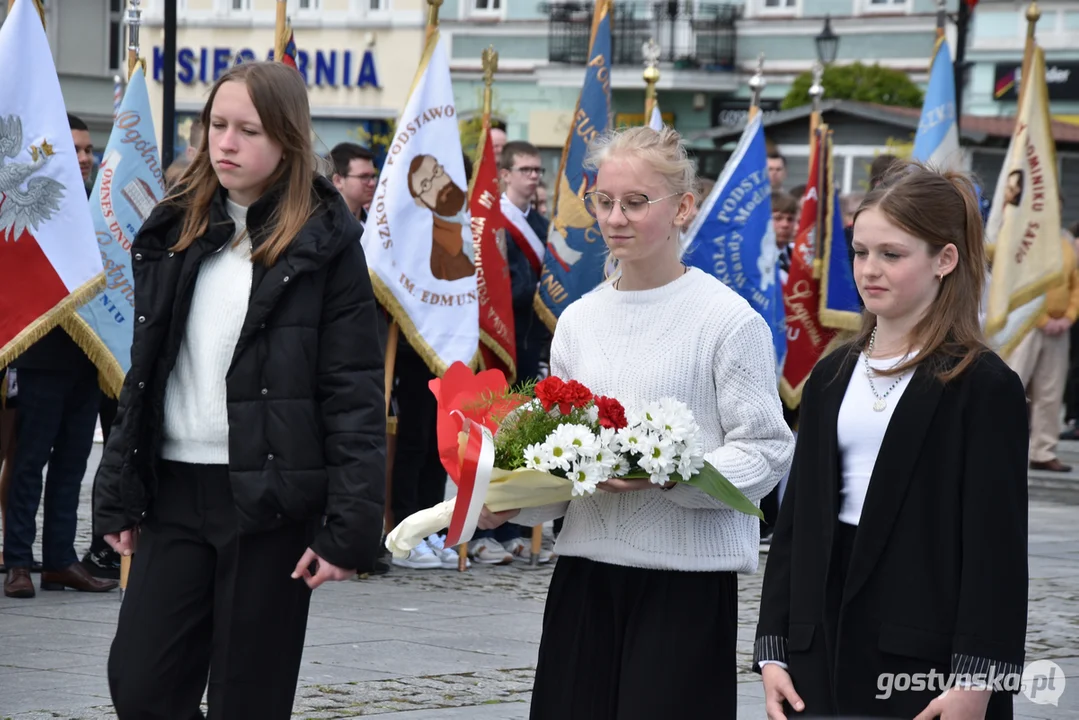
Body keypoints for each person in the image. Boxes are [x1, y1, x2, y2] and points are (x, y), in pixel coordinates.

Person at [94, 61, 387, 718]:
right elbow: (143, 373)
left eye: (247, 130)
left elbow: (353, 390)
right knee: (141, 686)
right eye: (216, 125)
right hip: (173, 492)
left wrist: (351, 526)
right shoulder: (174, 227)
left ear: (286, 139)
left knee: (246, 698)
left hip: (270, 501)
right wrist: (117, 493)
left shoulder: (326, 241)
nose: (225, 143)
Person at [480, 126, 795, 719]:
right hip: (586, 573)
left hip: (685, 583)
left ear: (683, 207)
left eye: (635, 202)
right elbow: (563, 465)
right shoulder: (580, 320)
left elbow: (765, 451)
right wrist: (508, 500)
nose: (615, 218)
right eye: (603, 201)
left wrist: (671, 474)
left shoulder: (727, 321)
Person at [755, 162, 1028, 720]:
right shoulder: (831, 376)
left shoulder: (983, 385)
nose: (869, 270)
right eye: (860, 252)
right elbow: (797, 524)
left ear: (944, 260)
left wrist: (977, 681)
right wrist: (773, 651)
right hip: (818, 646)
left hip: (921, 652)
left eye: (892, 255)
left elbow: (995, 550)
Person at [3, 113, 116, 599]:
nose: (86, 157)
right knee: (30, 462)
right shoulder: (36, 207)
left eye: (90, 149)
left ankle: (61, 559)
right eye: (77, 149)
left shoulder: (100, 207)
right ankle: (18, 562)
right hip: (40, 354)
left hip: (89, 355)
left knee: (72, 464)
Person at [1006, 227, 1079, 472]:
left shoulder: (1067, 241)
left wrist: (1069, 316)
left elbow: (1075, 281)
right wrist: (1040, 317)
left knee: (1051, 390)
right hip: (1026, 324)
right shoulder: (1025, 234)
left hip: (1059, 326)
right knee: (1011, 384)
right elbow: (1014, 281)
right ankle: (997, 443)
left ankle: (1043, 451)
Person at [330, 142, 378, 222]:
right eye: (364, 177)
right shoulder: (323, 228)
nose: (372, 183)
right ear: (338, 181)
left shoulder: (377, 224)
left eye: (373, 176)